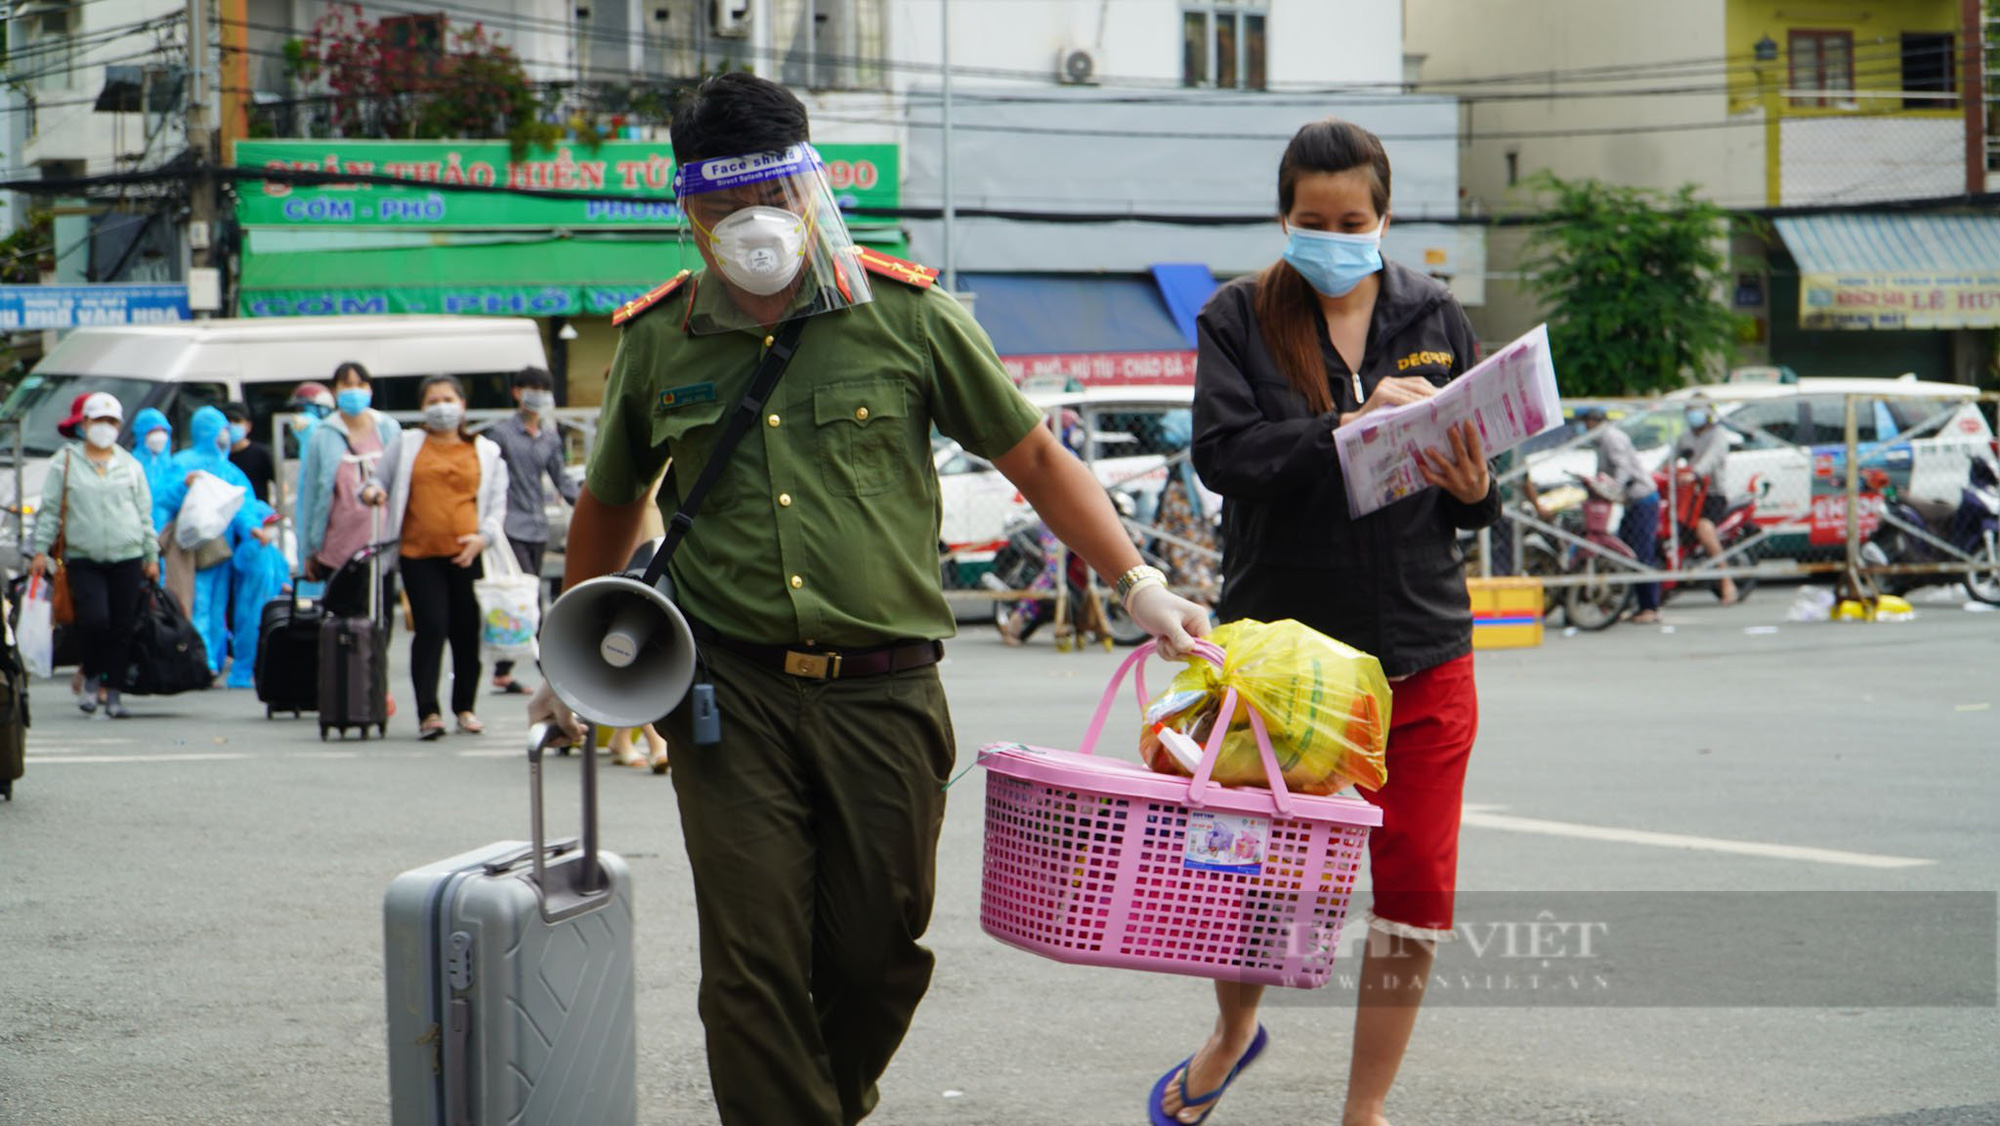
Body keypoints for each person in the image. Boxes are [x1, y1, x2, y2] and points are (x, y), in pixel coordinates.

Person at [528, 72, 1209, 1126]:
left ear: (808, 187)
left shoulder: (907, 315)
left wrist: (1140, 584)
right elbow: (613, 500)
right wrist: (573, 655)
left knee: (877, 954)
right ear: (687, 208)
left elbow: (1031, 453)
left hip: (886, 694)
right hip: (727, 691)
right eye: (722, 208)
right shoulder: (660, 338)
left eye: (769, 198)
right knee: (749, 964)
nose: (749, 227)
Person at [1157, 117, 1497, 1126]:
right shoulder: (1237, 316)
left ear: (1383, 215)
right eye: (1312, 219)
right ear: (1284, 217)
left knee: (1412, 891)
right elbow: (1223, 455)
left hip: (1420, 650)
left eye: (1354, 218)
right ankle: (1229, 1035)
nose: (1334, 234)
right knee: (1254, 880)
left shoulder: (1434, 311)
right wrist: (1344, 428)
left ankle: (1364, 1108)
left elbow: (1474, 499)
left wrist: (1475, 484)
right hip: (1278, 660)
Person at [378, 374, 508, 740]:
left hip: (468, 554)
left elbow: (498, 506)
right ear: (422, 408)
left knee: (466, 633)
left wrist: (482, 539)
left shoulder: (486, 450)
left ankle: (464, 708)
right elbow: (376, 482)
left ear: (463, 405)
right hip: (418, 553)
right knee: (431, 627)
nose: (441, 407)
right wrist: (372, 492)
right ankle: (428, 712)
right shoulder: (406, 445)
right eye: (433, 401)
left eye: (448, 399)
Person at [28, 393, 159, 719]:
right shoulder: (66, 461)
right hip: (85, 557)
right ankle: (90, 676)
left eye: (111, 422)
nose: (105, 428)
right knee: (94, 620)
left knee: (122, 625)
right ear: (84, 424)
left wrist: (151, 554)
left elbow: (144, 514)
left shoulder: (130, 465)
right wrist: (41, 550)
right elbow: (50, 511)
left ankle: (112, 691)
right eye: (98, 421)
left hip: (127, 556)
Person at [153, 406, 278, 678]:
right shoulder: (183, 463)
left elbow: (243, 505)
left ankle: (213, 659)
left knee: (217, 607)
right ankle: (201, 662)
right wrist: (184, 485)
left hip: (221, 550)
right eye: (220, 428)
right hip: (191, 549)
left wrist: (253, 528)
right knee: (197, 603)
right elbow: (163, 498)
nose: (225, 434)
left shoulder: (229, 469)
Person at [482, 365, 578, 696]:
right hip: (510, 526)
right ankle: (551, 670)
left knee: (520, 599)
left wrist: (585, 506)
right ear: (516, 392)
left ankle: (503, 671)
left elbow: (561, 478)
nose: (537, 394)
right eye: (530, 388)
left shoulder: (551, 437)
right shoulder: (501, 434)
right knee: (531, 600)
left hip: (538, 527)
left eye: (543, 388)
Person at [296, 363, 401, 618]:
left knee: (379, 622)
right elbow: (310, 494)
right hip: (338, 549)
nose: (354, 391)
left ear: (370, 389)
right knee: (342, 625)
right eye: (346, 385)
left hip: (382, 547)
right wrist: (309, 549)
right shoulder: (322, 435)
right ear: (335, 391)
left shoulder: (388, 428)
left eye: (360, 384)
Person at [1580, 406, 1662, 624]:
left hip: (1642, 499)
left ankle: (1650, 606)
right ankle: (1634, 604)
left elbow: (1622, 470)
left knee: (1641, 554)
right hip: (1630, 502)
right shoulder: (1601, 441)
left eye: (1586, 421)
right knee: (1626, 551)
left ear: (1593, 421)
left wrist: (1612, 487)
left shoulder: (1611, 438)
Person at [1671, 402, 1739, 605]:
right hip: (1687, 495)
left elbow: (1710, 460)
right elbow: (1670, 459)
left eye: (1697, 410)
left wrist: (1695, 474)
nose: (1694, 415)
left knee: (1704, 529)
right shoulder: (1685, 436)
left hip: (1712, 495)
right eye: (1690, 410)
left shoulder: (1718, 435)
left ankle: (1727, 581)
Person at [222, 401, 276, 506]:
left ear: (248, 426)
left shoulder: (260, 454)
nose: (231, 425)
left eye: (237, 421)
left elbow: (281, 485)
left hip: (256, 516)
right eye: (228, 421)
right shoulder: (218, 456)